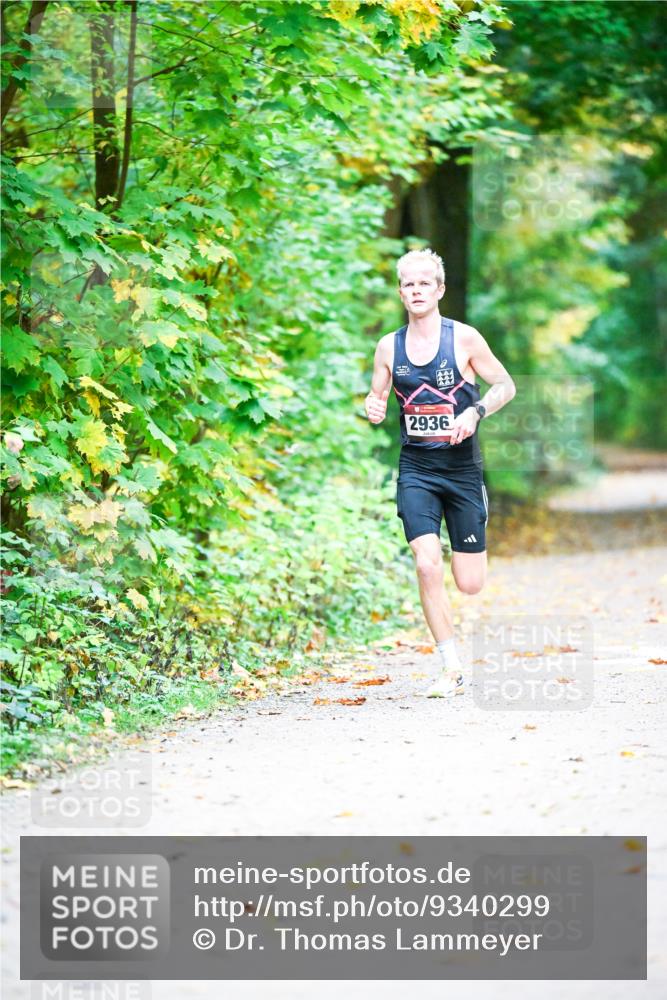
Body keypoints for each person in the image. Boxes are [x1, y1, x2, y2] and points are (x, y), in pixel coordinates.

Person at [365, 249, 516, 698]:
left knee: (469, 583)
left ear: (439, 289)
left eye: (424, 283)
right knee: (426, 564)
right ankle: (451, 666)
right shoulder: (388, 347)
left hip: (462, 470)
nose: (416, 290)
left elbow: (505, 385)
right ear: (400, 291)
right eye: (408, 284)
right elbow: (376, 399)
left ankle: (468, 531)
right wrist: (372, 407)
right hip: (417, 470)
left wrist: (475, 412)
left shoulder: (465, 339)